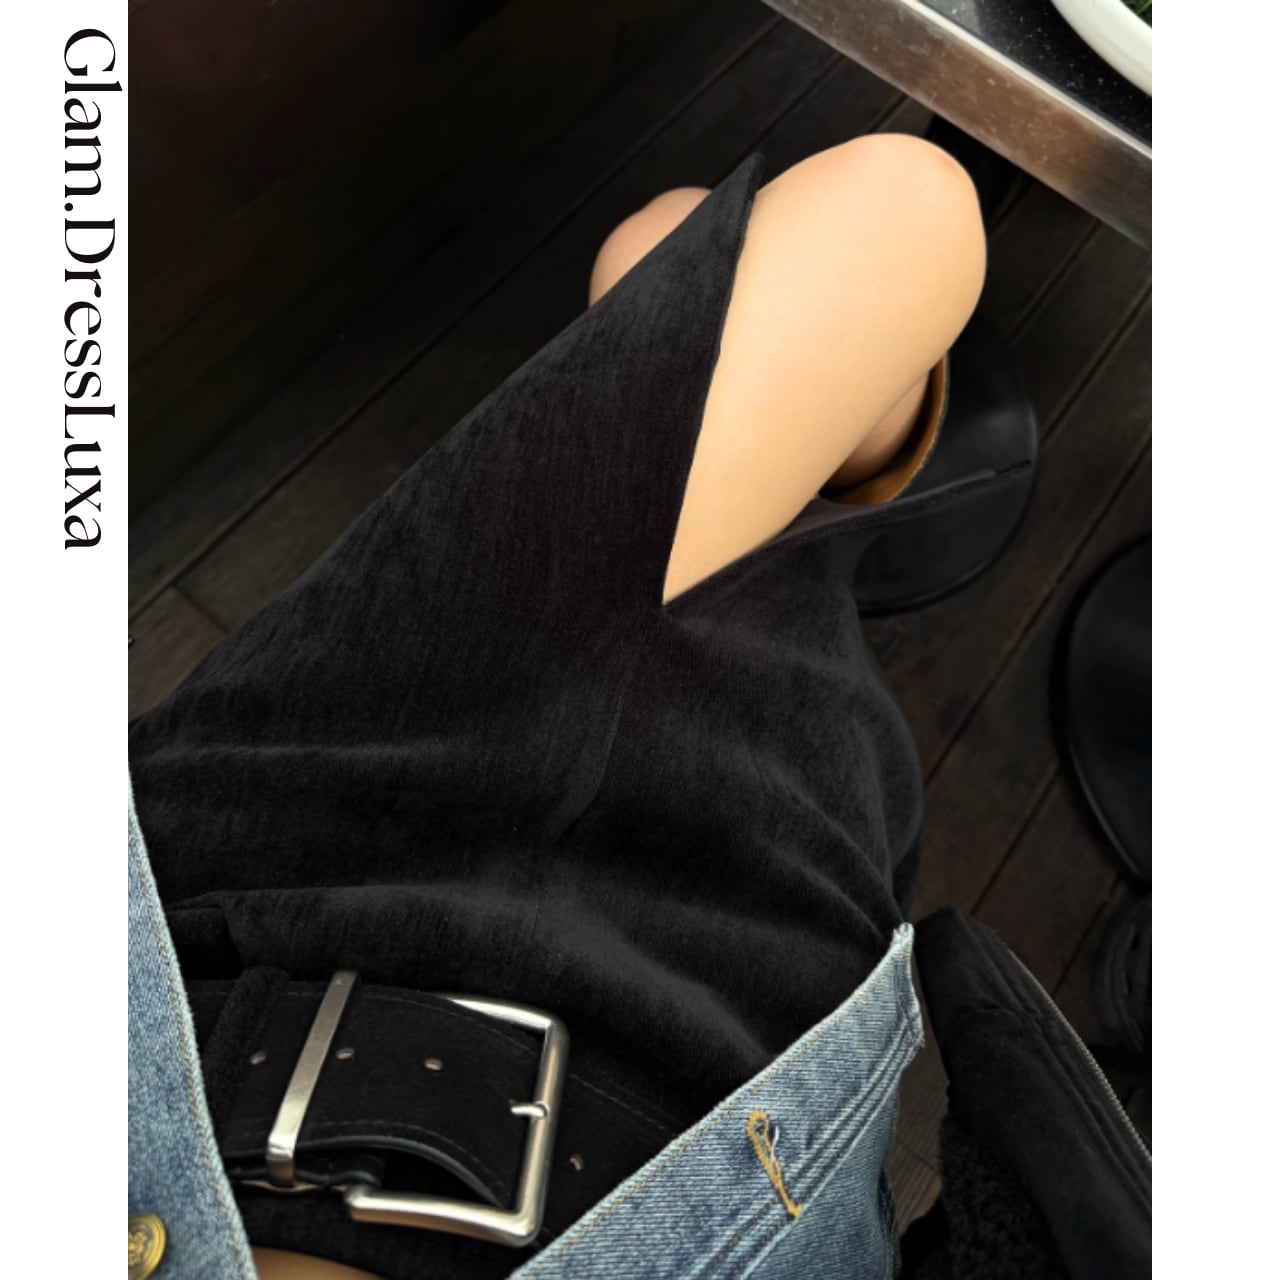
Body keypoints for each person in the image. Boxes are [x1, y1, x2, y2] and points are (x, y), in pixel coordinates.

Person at [129, 135, 1007, 1280]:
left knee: (774, 235)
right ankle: (819, 472)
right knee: (866, 215)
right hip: (715, 1068)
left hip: (247, 892)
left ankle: (816, 468)